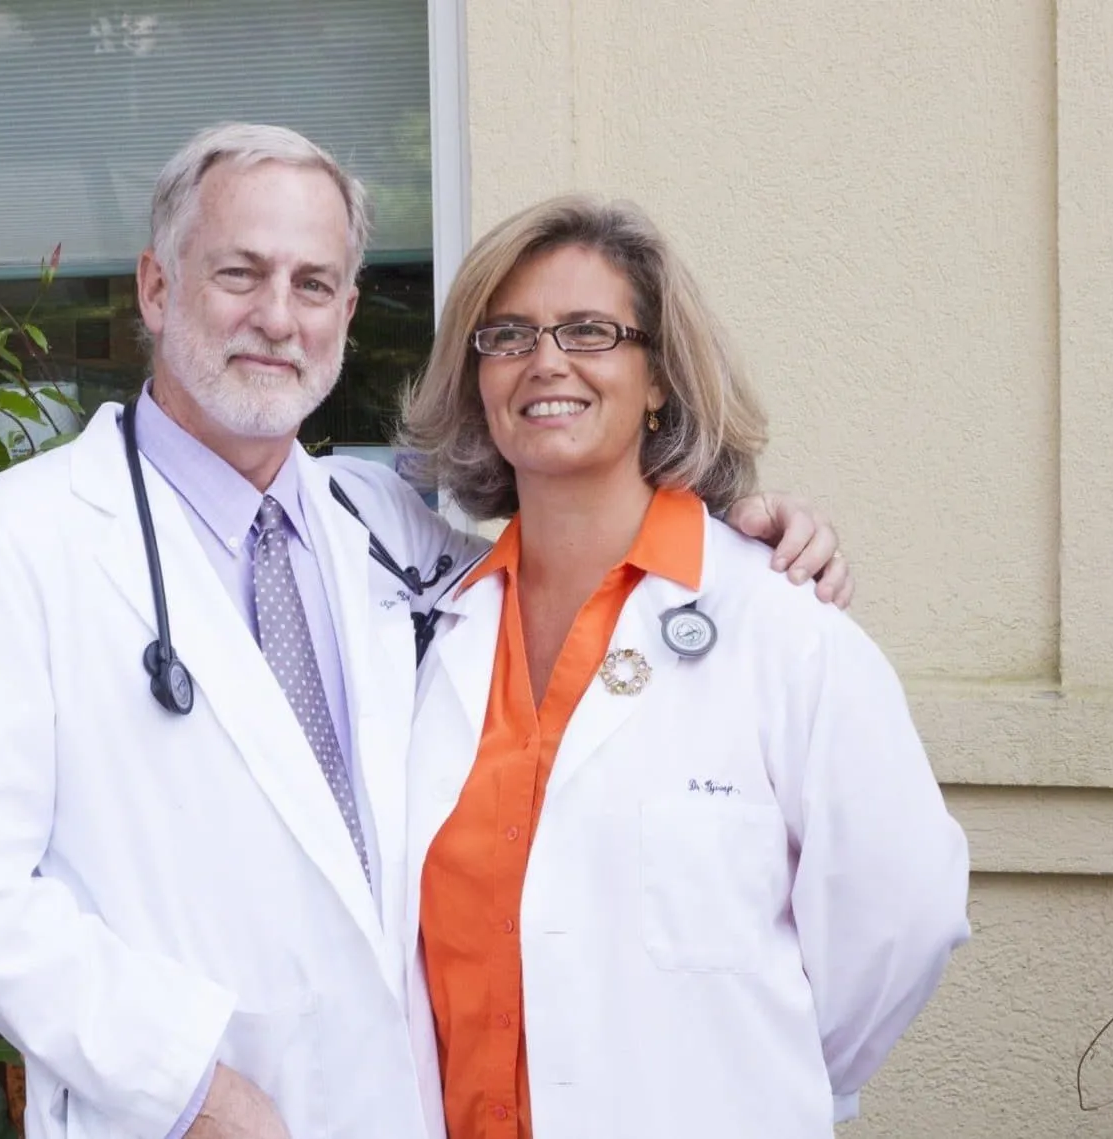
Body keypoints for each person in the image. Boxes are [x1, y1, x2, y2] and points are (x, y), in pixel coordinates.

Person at [0, 125, 851, 1139]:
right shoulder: (21, 543)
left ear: (346, 312)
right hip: (187, 1113)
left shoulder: (382, 525)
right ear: (156, 290)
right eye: (239, 273)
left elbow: (584, 579)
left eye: (313, 284)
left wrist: (743, 540)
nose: (276, 317)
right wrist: (184, 1081)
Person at [399, 196, 970, 1138]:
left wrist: (760, 1073)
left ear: (658, 375)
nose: (546, 361)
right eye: (507, 336)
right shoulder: (430, 625)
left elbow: (900, 915)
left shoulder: (779, 624)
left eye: (589, 331)